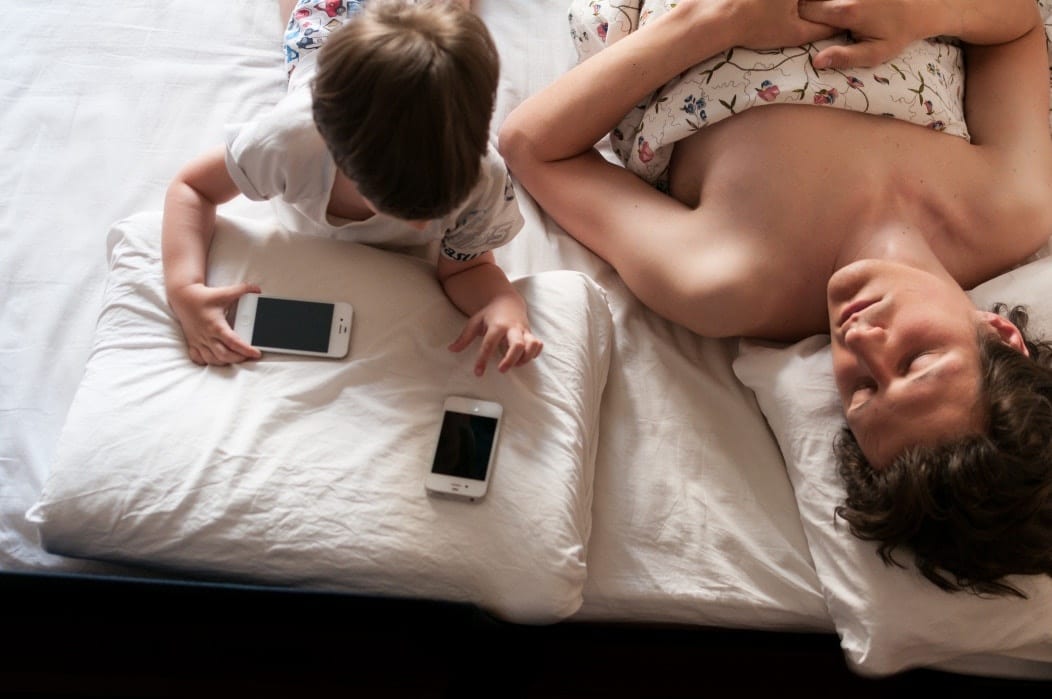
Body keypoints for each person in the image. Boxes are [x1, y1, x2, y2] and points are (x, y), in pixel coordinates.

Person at [499, 0, 1052, 595]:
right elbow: (1017, 24)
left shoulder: (726, 282)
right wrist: (924, 12)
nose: (862, 341)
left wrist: (722, 21)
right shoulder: (1011, 207)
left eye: (862, 389)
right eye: (915, 361)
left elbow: (532, 144)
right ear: (1000, 334)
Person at [162, 0, 543, 376]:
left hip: (402, 62)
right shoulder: (289, 142)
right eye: (404, 210)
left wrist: (502, 302)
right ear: (336, 156)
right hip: (325, 31)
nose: (421, 228)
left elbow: (466, 268)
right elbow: (193, 188)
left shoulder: (482, 178)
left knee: (441, 26)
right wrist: (184, 287)